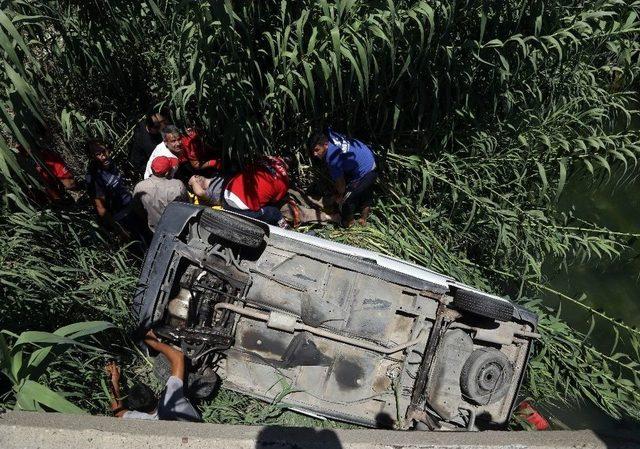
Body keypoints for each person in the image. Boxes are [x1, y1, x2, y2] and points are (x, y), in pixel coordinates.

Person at [105, 329, 201, 421]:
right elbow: (178, 357)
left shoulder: (143, 420)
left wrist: (113, 381)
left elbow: (118, 413)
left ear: (138, 410)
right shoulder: (171, 398)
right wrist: (154, 343)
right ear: (156, 394)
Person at [308, 128, 377, 227]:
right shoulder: (330, 134)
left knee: (345, 201)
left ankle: (348, 222)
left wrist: (338, 197)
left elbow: (341, 187)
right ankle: (363, 219)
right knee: (364, 193)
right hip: (369, 158)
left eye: (317, 150)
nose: (314, 154)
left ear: (325, 145)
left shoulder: (332, 159)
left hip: (366, 171)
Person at [85, 140, 146, 243]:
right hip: (120, 216)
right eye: (98, 154)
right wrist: (119, 230)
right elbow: (101, 208)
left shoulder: (111, 163)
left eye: (104, 152)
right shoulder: (95, 177)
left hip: (131, 205)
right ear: (92, 157)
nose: (103, 156)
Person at [222, 156, 290, 227]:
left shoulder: (266, 158)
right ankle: (286, 230)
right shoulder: (284, 181)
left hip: (226, 195)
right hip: (242, 211)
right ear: (287, 168)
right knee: (275, 212)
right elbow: (274, 200)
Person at [133, 156, 189, 232]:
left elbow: (138, 210)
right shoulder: (177, 185)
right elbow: (188, 206)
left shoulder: (139, 187)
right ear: (166, 173)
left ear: (152, 169)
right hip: (182, 228)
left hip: (157, 232)